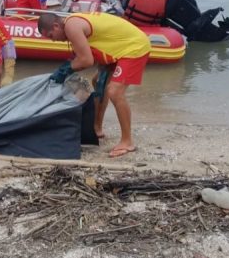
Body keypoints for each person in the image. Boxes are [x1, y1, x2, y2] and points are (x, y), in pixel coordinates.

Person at [37, 12, 151, 158]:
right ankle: (97, 127)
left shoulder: (72, 27)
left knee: (115, 92)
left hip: (134, 46)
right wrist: (69, 68)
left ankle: (127, 141)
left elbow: (86, 61)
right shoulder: (71, 24)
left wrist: (64, 69)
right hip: (118, 47)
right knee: (98, 82)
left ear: (56, 25)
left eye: (52, 36)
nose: (54, 41)